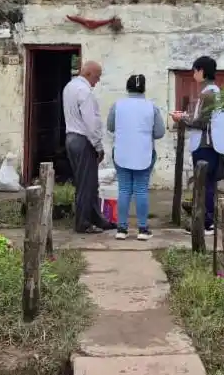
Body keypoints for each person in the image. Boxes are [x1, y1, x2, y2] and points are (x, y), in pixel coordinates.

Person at [171, 55, 224, 236]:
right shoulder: (213, 91)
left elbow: (201, 122)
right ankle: (207, 222)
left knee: (204, 185)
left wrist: (182, 118)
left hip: (205, 146)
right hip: (210, 144)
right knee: (208, 184)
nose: (193, 74)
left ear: (202, 71)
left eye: (195, 70)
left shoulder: (208, 94)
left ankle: (206, 223)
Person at [107, 74, 165, 241]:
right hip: (144, 152)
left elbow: (110, 127)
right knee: (141, 190)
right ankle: (142, 229)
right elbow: (160, 132)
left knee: (124, 189)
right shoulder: (151, 107)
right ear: (144, 88)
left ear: (127, 88)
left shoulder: (117, 106)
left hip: (121, 152)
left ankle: (122, 229)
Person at [62, 60, 115, 234]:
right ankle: (83, 223)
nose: (97, 81)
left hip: (71, 138)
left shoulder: (69, 87)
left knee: (87, 183)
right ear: (88, 74)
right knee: (87, 185)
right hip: (83, 140)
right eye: (97, 77)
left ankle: (96, 218)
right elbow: (91, 122)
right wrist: (98, 146)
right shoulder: (84, 91)